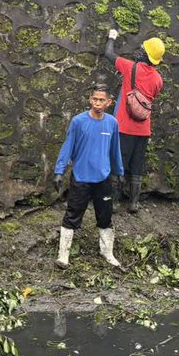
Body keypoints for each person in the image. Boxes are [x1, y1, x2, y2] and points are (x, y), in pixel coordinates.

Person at [53, 86, 124, 269]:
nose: (98, 103)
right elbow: (67, 146)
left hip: (103, 178)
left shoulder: (112, 123)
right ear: (89, 100)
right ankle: (63, 255)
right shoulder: (78, 122)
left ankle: (107, 252)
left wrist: (119, 172)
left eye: (102, 100)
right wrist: (59, 171)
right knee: (72, 214)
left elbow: (115, 149)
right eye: (95, 99)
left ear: (109, 102)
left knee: (105, 217)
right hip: (81, 177)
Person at [104, 29, 165, 214]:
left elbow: (108, 54)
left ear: (144, 53)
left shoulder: (130, 67)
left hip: (124, 126)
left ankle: (114, 202)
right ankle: (133, 203)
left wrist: (111, 37)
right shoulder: (158, 79)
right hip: (143, 129)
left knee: (118, 162)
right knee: (137, 165)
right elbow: (153, 94)